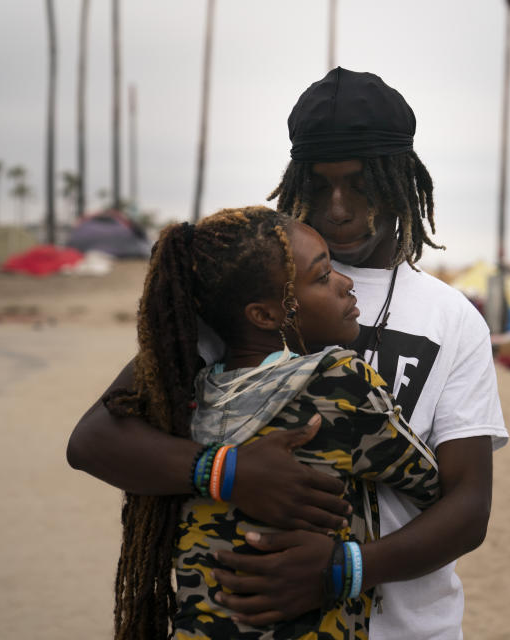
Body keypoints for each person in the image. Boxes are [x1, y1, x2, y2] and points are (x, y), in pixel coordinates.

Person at [67, 67, 508, 639]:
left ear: (401, 176)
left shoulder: (452, 321)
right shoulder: (256, 287)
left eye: (359, 182)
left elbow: (468, 506)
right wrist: (225, 471)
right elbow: (95, 441)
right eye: (319, 184)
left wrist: (341, 570)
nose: (339, 207)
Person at [108, 206, 440, 638]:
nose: (346, 282)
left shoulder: (186, 399)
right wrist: (351, 564)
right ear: (264, 316)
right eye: (323, 277)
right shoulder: (339, 383)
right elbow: (431, 483)